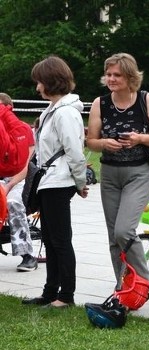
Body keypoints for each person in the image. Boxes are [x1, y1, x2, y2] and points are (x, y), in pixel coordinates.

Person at [86, 52, 149, 287]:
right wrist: (103, 143)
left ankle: (144, 281)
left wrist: (139, 138)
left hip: (139, 171)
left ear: (130, 76)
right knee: (114, 237)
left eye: (117, 75)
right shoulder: (100, 103)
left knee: (124, 231)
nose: (111, 79)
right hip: (110, 173)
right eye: (108, 74)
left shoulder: (145, 99)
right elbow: (91, 141)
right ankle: (123, 286)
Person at [21, 56, 88, 308]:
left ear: (50, 81)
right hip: (50, 180)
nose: (37, 87)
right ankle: (50, 291)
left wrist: (80, 182)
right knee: (49, 239)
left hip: (58, 182)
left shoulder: (65, 113)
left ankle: (66, 295)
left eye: (39, 81)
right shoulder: (54, 110)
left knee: (59, 239)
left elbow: (74, 151)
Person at [0, 93, 38, 272]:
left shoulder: (23, 130)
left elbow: (25, 166)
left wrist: (7, 186)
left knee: (12, 203)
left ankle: (27, 254)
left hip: (15, 180)